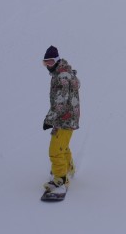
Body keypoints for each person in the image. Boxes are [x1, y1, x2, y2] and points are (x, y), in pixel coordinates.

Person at [41, 45, 80, 195]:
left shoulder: (62, 77)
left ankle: (60, 180)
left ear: (57, 61)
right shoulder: (63, 73)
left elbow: (60, 101)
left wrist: (48, 119)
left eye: (50, 62)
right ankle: (68, 168)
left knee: (55, 150)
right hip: (67, 117)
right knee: (63, 145)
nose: (47, 66)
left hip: (65, 118)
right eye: (45, 63)